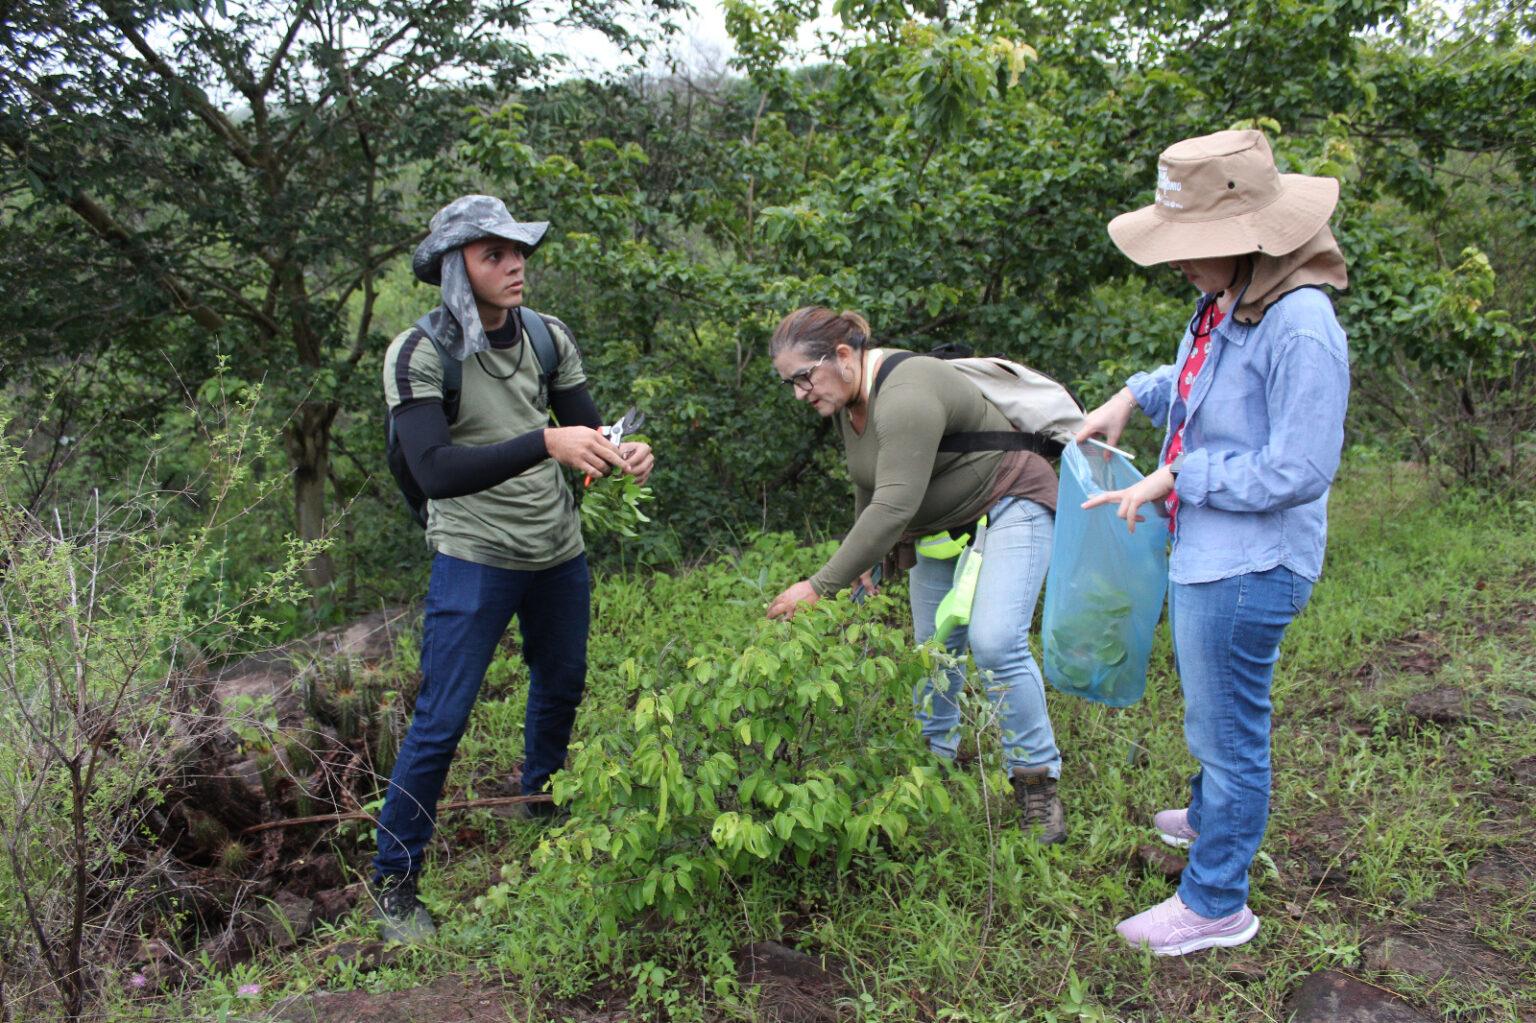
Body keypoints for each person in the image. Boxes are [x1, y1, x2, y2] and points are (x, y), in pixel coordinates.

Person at [1076, 130, 1350, 955]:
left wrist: (1180, 476)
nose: (1178, 266)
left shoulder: (1301, 323)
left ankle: (1216, 900)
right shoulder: (1233, 296)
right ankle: (1205, 819)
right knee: (1213, 716)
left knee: (1228, 734)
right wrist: (1133, 394)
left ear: (1243, 238)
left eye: (1191, 250)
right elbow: (1200, 383)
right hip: (1211, 550)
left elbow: (1299, 466)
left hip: (1251, 563)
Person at [374, 195, 655, 942]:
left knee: (560, 683)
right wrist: (545, 443)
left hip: (556, 549)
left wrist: (623, 453)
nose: (514, 264)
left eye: (517, 250)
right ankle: (395, 882)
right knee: (442, 718)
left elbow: (585, 430)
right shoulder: (420, 352)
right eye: (491, 253)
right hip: (474, 554)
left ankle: (543, 812)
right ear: (452, 267)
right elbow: (433, 469)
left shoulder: (545, 335)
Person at [765, 308, 1068, 843]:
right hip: (944, 528)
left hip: (1010, 503)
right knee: (934, 650)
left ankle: (1036, 781)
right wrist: (868, 561)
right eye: (788, 383)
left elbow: (893, 506)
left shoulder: (904, 393)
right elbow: (869, 481)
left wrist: (820, 585)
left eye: (802, 378)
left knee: (995, 642)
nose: (798, 394)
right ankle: (933, 769)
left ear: (841, 355)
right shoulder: (847, 401)